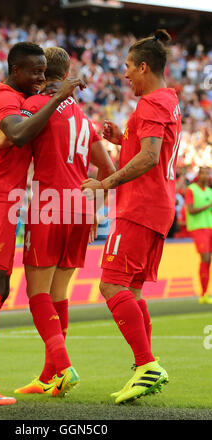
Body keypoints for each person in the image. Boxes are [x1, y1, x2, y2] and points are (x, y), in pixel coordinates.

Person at [0, 42, 85, 406]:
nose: (40, 78)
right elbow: (18, 133)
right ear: (15, 70)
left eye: (44, 71)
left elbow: (1, 135)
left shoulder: (18, 98)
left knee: (0, 288)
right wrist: (59, 98)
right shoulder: (7, 97)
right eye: (34, 72)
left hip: (5, 200)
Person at [0, 46, 115, 397]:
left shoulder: (36, 106)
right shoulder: (85, 119)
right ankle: (49, 375)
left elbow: (8, 135)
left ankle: (64, 365)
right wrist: (95, 207)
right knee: (59, 293)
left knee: (36, 292)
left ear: (43, 75)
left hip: (49, 203)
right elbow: (109, 171)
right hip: (81, 207)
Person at [81, 29, 181, 404]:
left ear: (143, 66)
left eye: (127, 67)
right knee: (132, 289)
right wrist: (123, 141)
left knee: (110, 285)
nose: (124, 74)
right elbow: (152, 148)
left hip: (139, 208)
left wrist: (104, 183)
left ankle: (146, 363)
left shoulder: (152, 104)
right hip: (158, 207)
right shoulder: (170, 100)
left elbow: (151, 156)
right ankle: (143, 369)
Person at [185, 167, 212, 304]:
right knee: (206, 258)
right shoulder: (192, 189)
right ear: (199, 175)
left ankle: (205, 293)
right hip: (199, 228)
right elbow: (191, 210)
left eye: (208, 173)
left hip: (210, 226)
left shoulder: (209, 191)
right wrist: (209, 205)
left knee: (208, 260)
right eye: (204, 173)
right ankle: (203, 294)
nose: (206, 176)